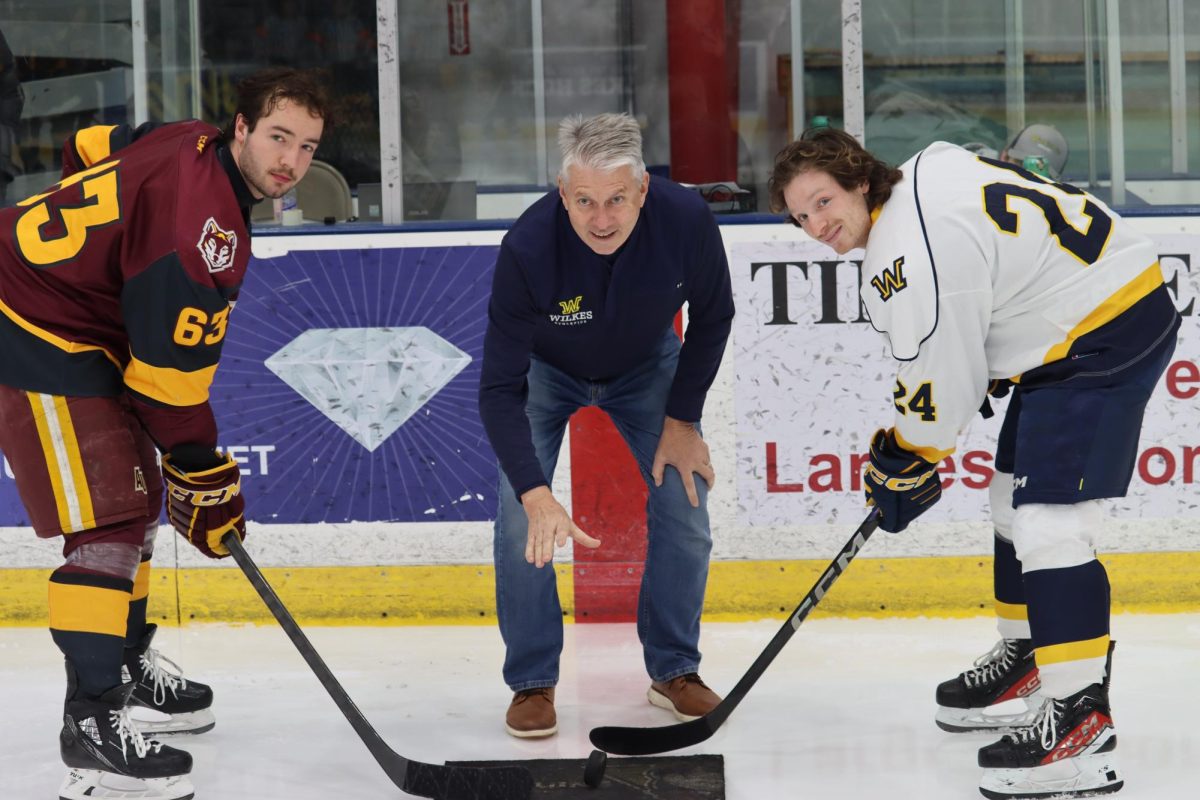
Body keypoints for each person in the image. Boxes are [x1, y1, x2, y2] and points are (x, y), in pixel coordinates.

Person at [769, 128, 1179, 799]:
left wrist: (904, 455)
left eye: (822, 201)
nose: (815, 224)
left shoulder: (905, 251)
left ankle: (1081, 726)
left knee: (1049, 522)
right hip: (1076, 319)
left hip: (1102, 329)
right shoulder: (930, 167)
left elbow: (941, 386)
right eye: (799, 214)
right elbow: (987, 274)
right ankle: (1029, 654)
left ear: (861, 181)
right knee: (1007, 499)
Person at [0, 68, 330, 799]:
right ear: (241, 128)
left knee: (138, 499)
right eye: (278, 137)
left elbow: (88, 147)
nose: (291, 162)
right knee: (109, 521)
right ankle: (91, 725)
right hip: (27, 321)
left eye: (307, 147)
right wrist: (205, 472)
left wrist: (97, 258)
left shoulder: (190, 139)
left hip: (74, 321)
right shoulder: (203, 238)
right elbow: (167, 388)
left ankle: (123, 662)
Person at [479, 112, 735, 739]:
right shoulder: (528, 246)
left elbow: (714, 316)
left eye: (617, 198)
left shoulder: (686, 221)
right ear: (562, 193)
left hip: (647, 367)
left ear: (643, 190)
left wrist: (682, 419)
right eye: (585, 200)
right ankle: (532, 681)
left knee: (684, 498)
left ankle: (674, 669)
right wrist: (537, 493)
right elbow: (497, 389)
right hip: (546, 371)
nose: (601, 218)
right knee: (521, 516)